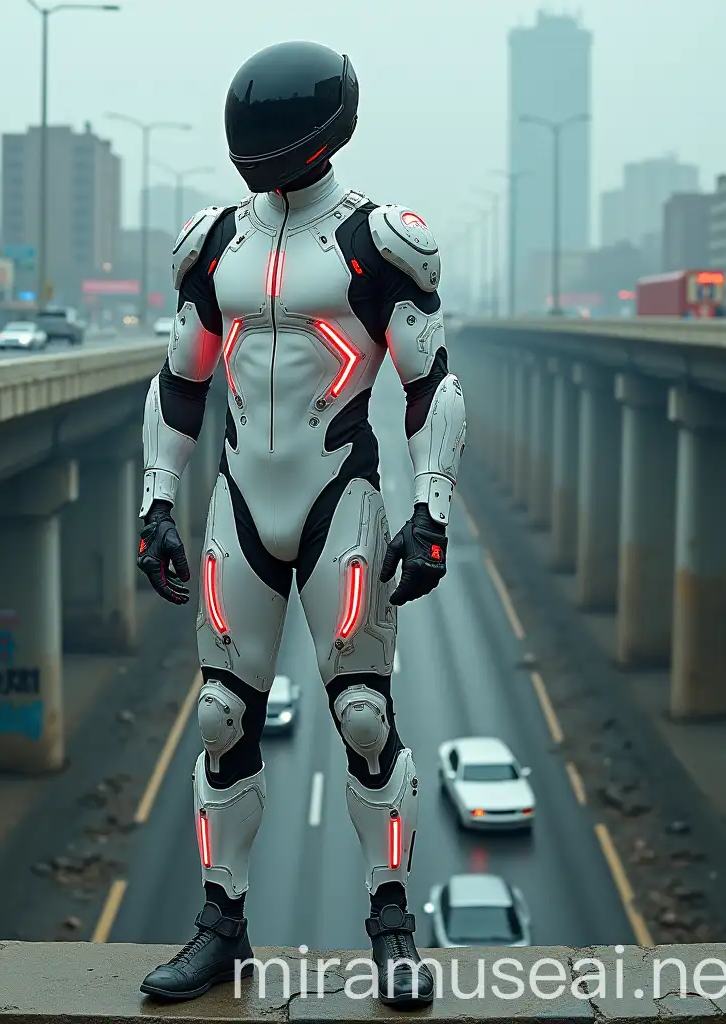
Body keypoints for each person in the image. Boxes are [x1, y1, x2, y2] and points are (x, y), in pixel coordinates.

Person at [135, 40, 466, 1007]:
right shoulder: (213, 246)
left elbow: (430, 384)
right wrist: (158, 495)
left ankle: (392, 924)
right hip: (238, 504)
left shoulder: (376, 242)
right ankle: (220, 924)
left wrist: (430, 511)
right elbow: (180, 381)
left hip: (340, 503)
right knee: (219, 716)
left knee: (365, 718)